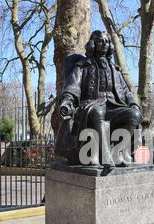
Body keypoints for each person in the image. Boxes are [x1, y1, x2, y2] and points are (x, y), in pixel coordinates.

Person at [54, 30, 142, 167]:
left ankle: (116, 151)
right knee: (97, 111)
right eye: (100, 41)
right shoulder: (83, 66)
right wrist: (67, 101)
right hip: (90, 105)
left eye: (107, 41)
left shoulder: (114, 68)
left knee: (134, 115)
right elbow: (72, 87)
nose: (104, 44)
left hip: (114, 106)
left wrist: (133, 103)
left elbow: (125, 91)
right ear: (93, 43)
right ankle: (106, 155)